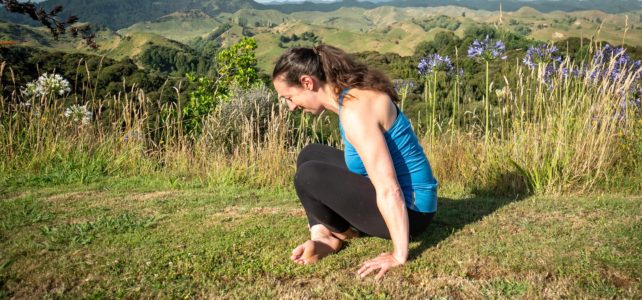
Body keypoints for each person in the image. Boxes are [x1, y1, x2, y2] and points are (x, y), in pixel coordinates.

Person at [272, 45, 438, 280]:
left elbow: (389, 187)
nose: (291, 106)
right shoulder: (350, 96)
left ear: (307, 82)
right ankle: (323, 237)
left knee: (308, 176)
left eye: (289, 97)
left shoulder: (355, 111)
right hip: (410, 201)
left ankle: (342, 234)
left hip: (414, 213)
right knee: (310, 154)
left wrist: (399, 255)